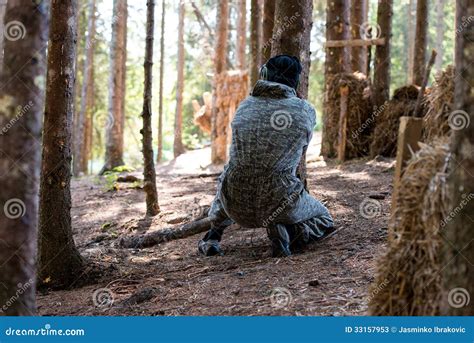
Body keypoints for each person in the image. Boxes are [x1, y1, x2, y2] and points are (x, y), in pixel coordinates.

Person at [198, 55, 334, 257]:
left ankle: (212, 236)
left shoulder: (245, 106)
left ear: (264, 75)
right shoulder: (305, 110)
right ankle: (287, 230)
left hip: (234, 203)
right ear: (296, 81)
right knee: (325, 219)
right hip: (279, 200)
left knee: (232, 173)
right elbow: (299, 153)